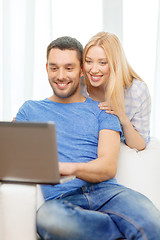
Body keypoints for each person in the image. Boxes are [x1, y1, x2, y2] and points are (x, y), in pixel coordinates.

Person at [15, 36, 160, 240]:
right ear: (46, 68)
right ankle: (121, 232)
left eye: (69, 68)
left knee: (152, 221)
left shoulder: (104, 111)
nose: (61, 76)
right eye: (54, 68)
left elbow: (108, 166)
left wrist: (69, 168)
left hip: (108, 192)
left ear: (80, 71)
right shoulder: (30, 110)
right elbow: (11, 157)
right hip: (62, 199)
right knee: (50, 220)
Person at [83, 31, 151, 151]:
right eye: (89, 61)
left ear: (116, 64)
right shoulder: (79, 85)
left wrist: (122, 117)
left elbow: (140, 144)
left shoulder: (137, 91)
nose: (93, 70)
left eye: (102, 63)